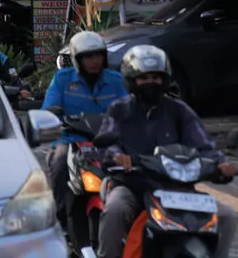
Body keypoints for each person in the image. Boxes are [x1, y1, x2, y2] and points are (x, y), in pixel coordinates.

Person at [95, 45, 237, 258]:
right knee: (115, 210)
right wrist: (118, 157)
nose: (150, 82)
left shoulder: (179, 110)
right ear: (132, 81)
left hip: (177, 190)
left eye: (155, 77)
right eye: (143, 78)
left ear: (165, 79)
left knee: (227, 216)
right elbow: (108, 141)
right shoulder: (119, 109)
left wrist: (220, 164)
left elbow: (204, 145)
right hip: (132, 185)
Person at [41, 31, 127, 230]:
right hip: (71, 138)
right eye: (88, 56)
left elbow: (128, 107)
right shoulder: (63, 78)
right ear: (77, 59)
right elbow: (49, 107)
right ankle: (60, 220)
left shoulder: (115, 79)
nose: (94, 61)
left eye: (98, 55)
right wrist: (54, 114)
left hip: (108, 139)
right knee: (59, 160)